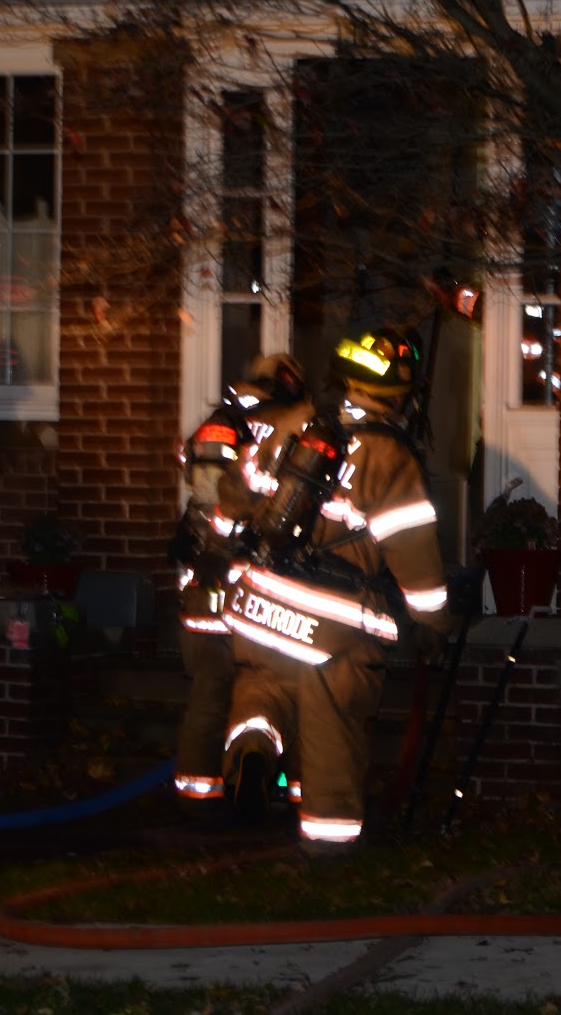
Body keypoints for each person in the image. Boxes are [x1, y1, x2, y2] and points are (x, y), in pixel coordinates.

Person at [219, 328, 453, 855]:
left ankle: (253, 750)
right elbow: (415, 557)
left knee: (262, 692)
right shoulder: (390, 458)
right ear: (401, 396)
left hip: (259, 605)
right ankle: (329, 844)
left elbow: (233, 496)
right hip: (332, 627)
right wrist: (434, 623)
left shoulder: (291, 424)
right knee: (331, 727)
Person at [169, 353, 308, 822]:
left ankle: (199, 798)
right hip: (254, 595)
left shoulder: (218, 426)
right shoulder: (292, 431)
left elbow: (202, 498)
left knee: (208, 695)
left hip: (203, 588)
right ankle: (292, 790)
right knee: (275, 690)